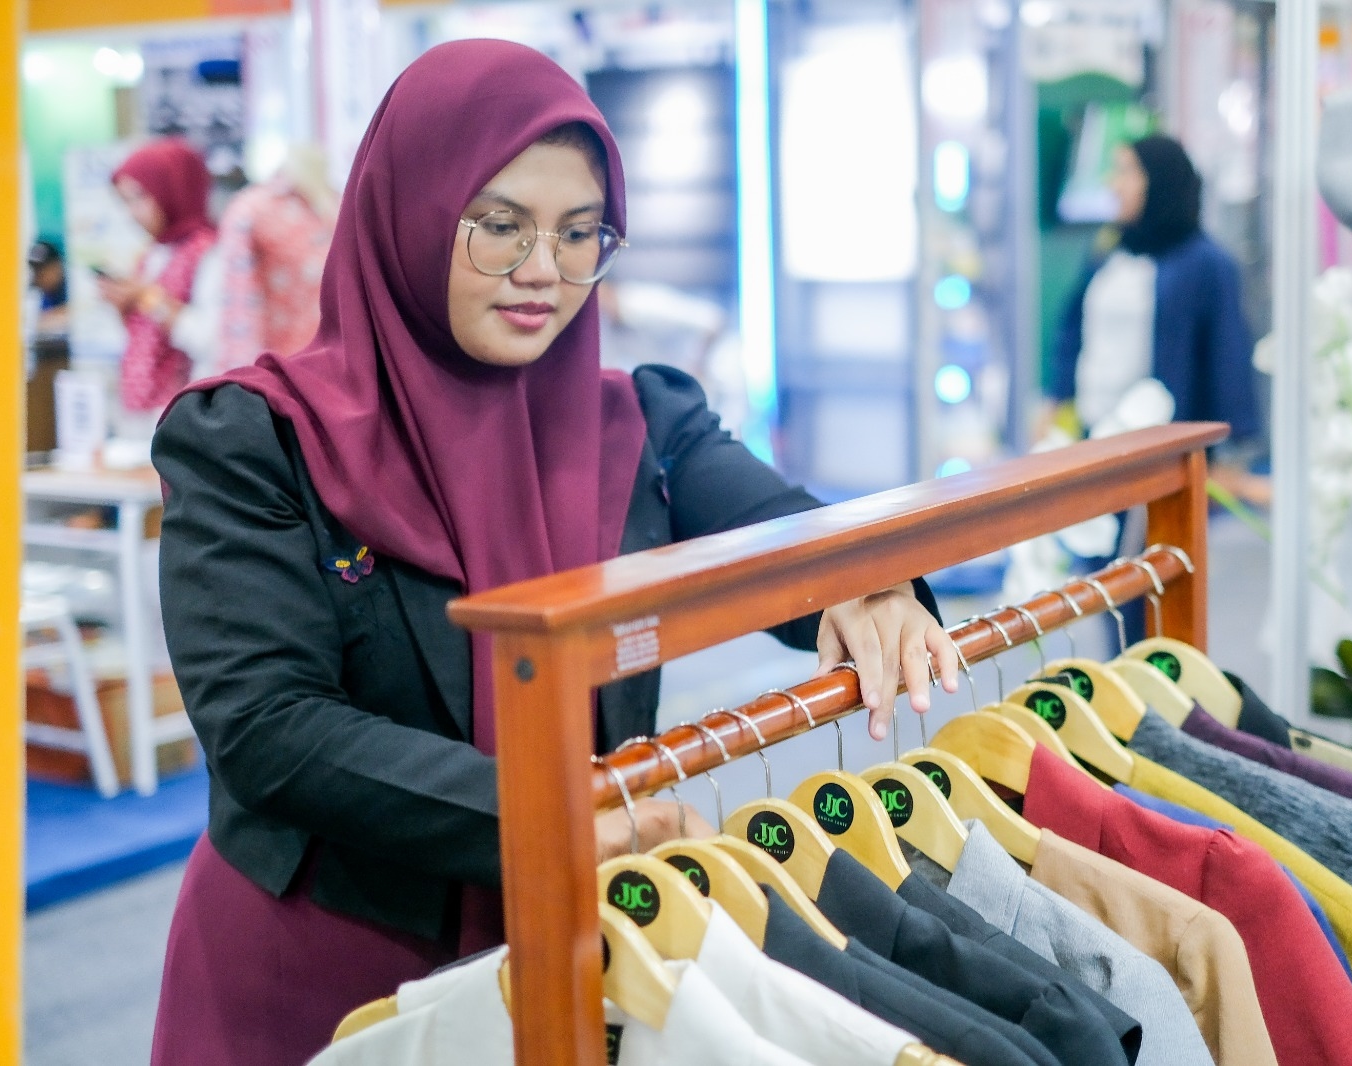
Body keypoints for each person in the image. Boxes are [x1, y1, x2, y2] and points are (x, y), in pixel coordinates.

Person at [148, 39, 958, 1066]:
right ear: (410, 212)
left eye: (580, 234)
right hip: (326, 972)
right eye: (498, 227)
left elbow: (784, 536)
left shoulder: (642, 424)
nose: (543, 271)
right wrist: (547, 817)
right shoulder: (259, 439)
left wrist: (871, 579)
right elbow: (269, 729)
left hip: (575, 935)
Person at [1050, 134, 1259, 447]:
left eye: (1126, 172)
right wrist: (1056, 397)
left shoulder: (1205, 262)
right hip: (1093, 433)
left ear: (1159, 181)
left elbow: (1227, 357)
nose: (1114, 185)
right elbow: (1073, 327)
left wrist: (1235, 442)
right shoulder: (1110, 250)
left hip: (1159, 446)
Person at [96, 137, 220, 420]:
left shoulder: (210, 252)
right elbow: (145, 340)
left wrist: (148, 298)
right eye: (126, 202)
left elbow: (209, 339)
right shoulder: (153, 255)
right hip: (147, 413)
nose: (132, 214)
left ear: (172, 188)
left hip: (193, 412)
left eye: (139, 198)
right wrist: (124, 306)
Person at [212, 143, 338, 372]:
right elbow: (238, 305)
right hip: (280, 375)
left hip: (339, 371)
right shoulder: (251, 210)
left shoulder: (344, 207)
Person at [27, 239, 69, 336]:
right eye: (35, 271)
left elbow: (80, 313)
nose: (37, 277)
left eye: (42, 271)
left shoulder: (75, 285)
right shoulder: (37, 289)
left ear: (57, 266)